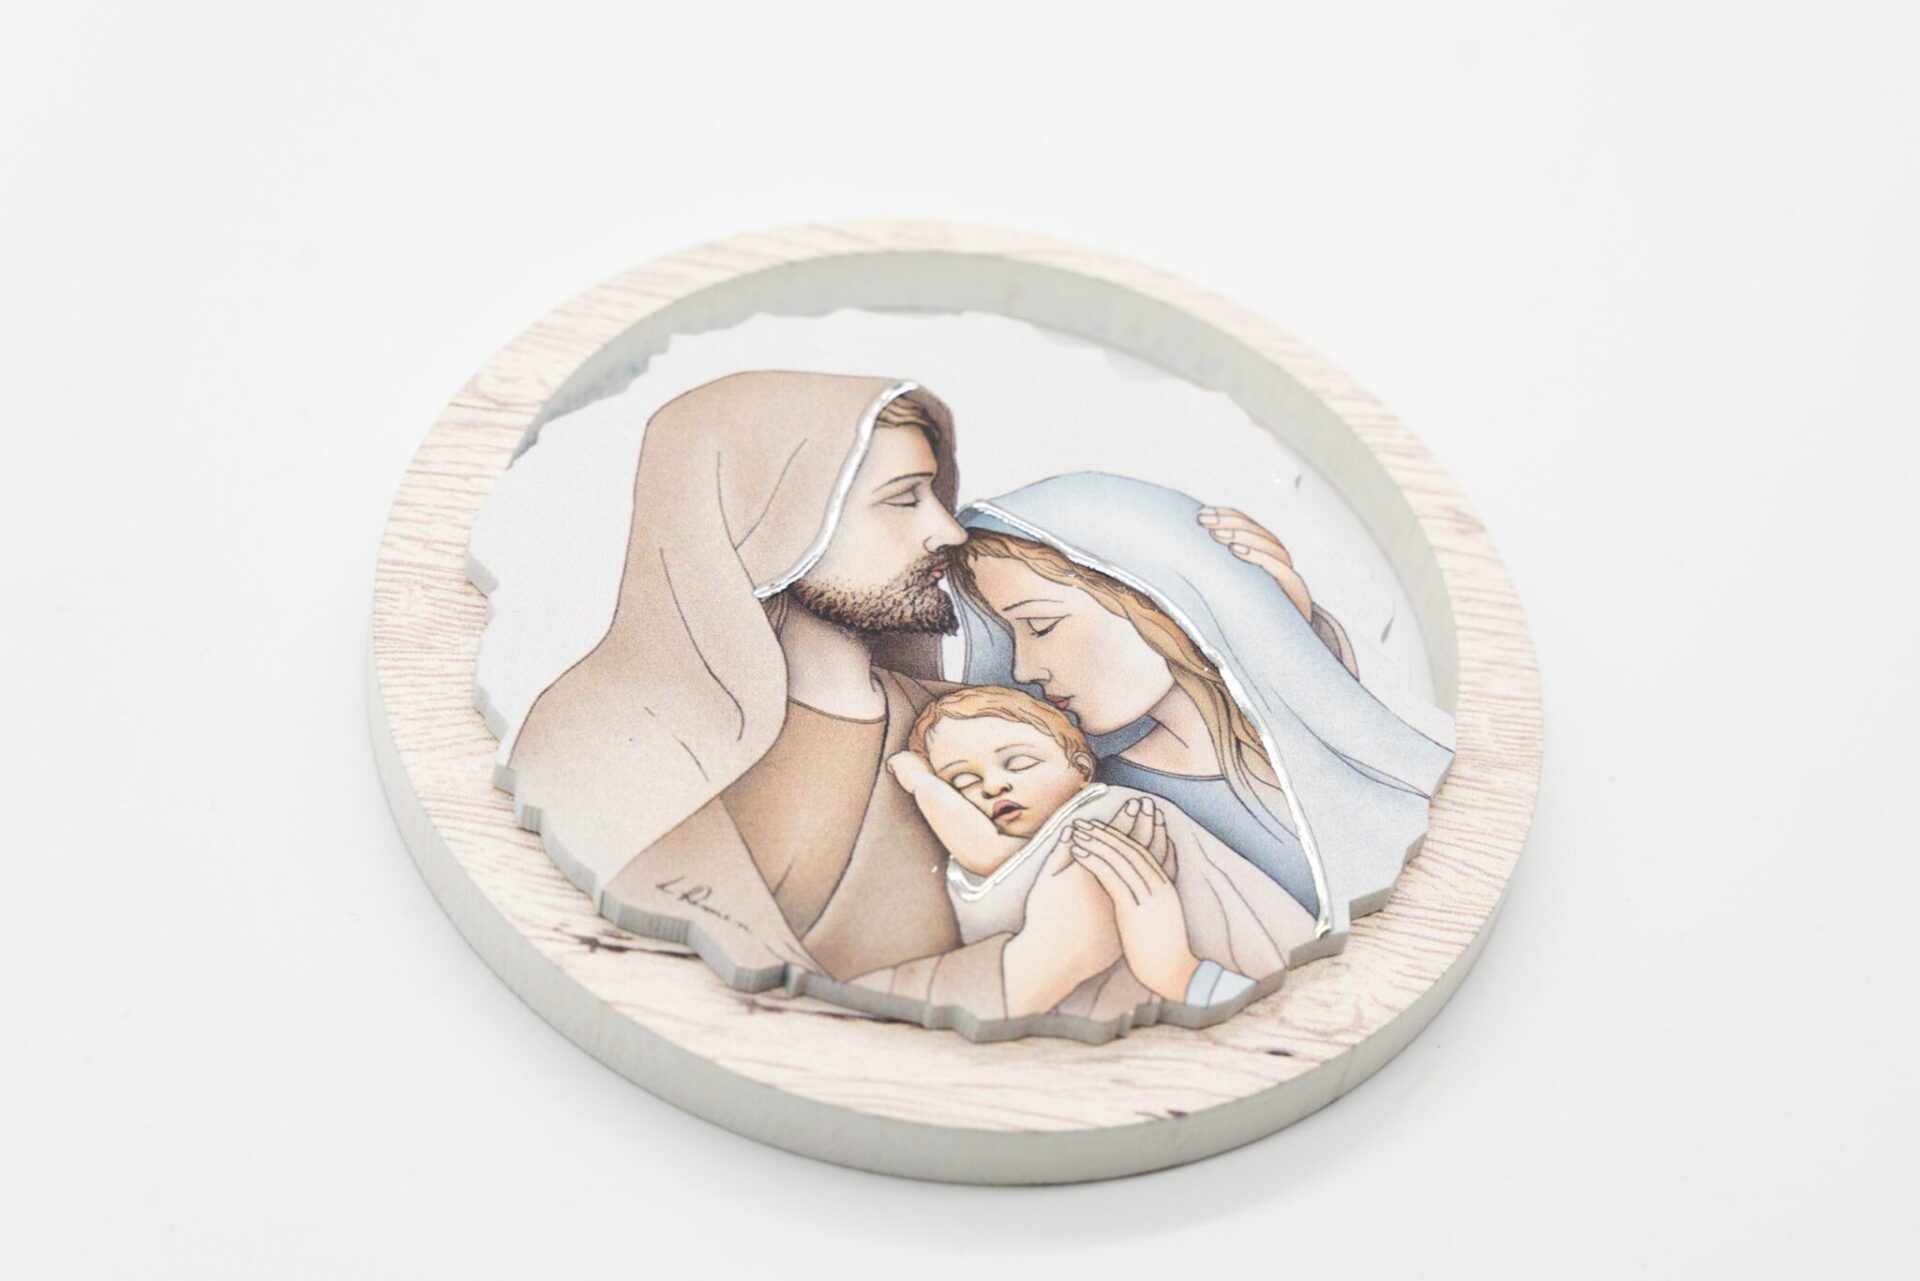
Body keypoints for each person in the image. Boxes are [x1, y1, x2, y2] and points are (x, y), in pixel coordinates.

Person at [950, 473, 1456, 947]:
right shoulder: (1111, 808)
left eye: (1039, 626)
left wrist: (1280, 623)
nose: (1022, 669)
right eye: (1009, 635)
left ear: (1159, 599)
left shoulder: (1323, 742)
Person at [884, 685, 1316, 1019]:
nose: (994, 786)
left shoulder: (1107, 815)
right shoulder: (994, 856)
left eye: (1019, 763)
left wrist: (923, 784)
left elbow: (988, 855)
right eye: (962, 783)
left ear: (1081, 768)